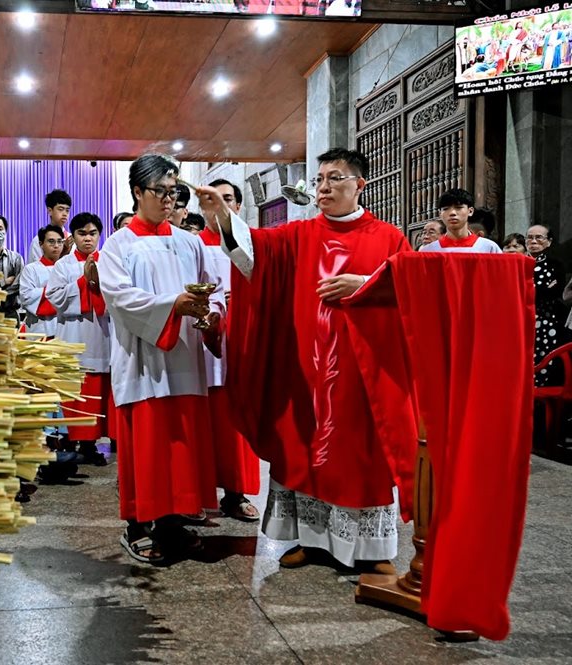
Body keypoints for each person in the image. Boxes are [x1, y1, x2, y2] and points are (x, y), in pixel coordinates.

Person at [200, 147, 414, 574]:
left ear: (359, 184)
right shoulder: (298, 235)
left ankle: (372, 552)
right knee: (304, 452)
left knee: (360, 456)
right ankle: (311, 542)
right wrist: (221, 215)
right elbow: (253, 255)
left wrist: (366, 283)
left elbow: (412, 287)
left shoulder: (388, 238)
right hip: (307, 371)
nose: (323, 187)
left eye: (335, 178)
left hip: (361, 374)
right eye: (318, 179)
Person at [98, 153, 222, 564]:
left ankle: (172, 524)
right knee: (147, 448)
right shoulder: (118, 246)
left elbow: (212, 289)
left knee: (180, 447)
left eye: (174, 192)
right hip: (144, 360)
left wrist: (209, 314)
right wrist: (174, 306)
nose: (169, 200)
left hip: (185, 360)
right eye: (160, 192)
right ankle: (137, 525)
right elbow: (121, 300)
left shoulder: (189, 242)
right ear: (137, 192)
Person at [199, 178, 261, 523]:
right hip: (202, 345)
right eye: (212, 200)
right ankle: (200, 492)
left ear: (238, 207)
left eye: (227, 200)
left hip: (242, 341)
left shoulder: (254, 245)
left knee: (237, 421)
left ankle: (236, 495)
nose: (219, 206)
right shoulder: (189, 245)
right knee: (204, 421)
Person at [47, 212, 114, 466]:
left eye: (93, 233)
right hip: (74, 334)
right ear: (73, 237)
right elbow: (54, 297)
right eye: (82, 233)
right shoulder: (63, 265)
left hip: (101, 334)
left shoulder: (108, 261)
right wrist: (82, 281)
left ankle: (91, 444)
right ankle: (72, 442)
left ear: (99, 235)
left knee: (97, 393)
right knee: (76, 393)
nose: (88, 238)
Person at [527, 224, 570, 386]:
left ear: (549, 242)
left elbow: (555, 292)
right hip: (522, 319)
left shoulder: (555, 265)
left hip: (547, 320)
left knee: (545, 359)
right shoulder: (519, 262)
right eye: (530, 237)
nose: (533, 241)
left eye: (539, 237)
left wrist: (531, 291)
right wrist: (542, 289)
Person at [419, 189, 502, 253]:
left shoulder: (489, 248)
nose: (452, 213)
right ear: (440, 214)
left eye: (458, 208)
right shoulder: (429, 251)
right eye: (446, 209)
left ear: (470, 211)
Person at [19, 225, 63, 338]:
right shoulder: (31, 269)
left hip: (64, 329)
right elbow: (27, 297)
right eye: (51, 242)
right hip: (39, 329)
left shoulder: (67, 268)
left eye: (59, 241)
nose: (56, 246)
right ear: (41, 244)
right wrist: (58, 292)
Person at [27, 189, 73, 262]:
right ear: (50, 211)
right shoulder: (39, 240)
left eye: (67, 210)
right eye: (61, 209)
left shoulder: (72, 240)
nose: (65, 214)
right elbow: (36, 268)